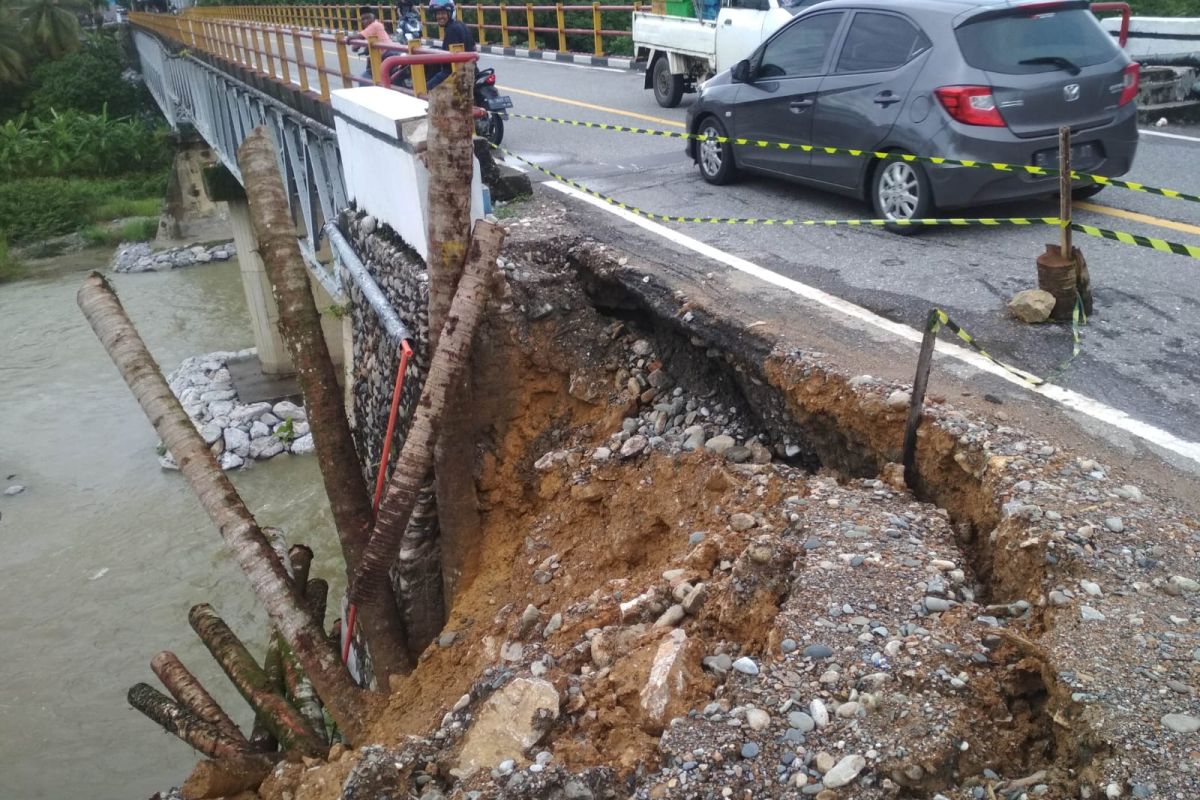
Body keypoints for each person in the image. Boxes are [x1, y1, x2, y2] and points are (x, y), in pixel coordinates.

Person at [425, 0, 475, 90]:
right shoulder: (461, 24)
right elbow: (473, 47)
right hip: (472, 69)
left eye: (443, 13)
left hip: (453, 73)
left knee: (424, 90)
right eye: (438, 14)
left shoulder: (451, 30)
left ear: (450, 13)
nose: (440, 16)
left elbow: (448, 61)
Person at [357, 7, 389, 81]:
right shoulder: (376, 25)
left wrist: (349, 39)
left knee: (365, 78)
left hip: (384, 56)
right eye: (363, 19)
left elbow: (358, 39)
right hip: (386, 54)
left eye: (368, 18)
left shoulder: (375, 25)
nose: (366, 21)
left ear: (374, 17)